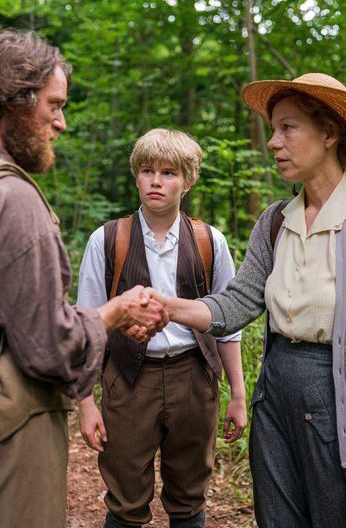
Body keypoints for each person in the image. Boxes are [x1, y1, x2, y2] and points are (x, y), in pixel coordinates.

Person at [0, 30, 167, 527]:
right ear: (12, 99)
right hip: (10, 435)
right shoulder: (8, 196)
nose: (61, 122)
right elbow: (50, 347)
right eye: (53, 105)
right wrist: (116, 311)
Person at [145, 73, 346, 527]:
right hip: (274, 396)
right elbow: (235, 304)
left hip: (338, 399)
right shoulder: (275, 221)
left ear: (329, 133)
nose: (273, 143)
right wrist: (165, 307)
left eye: (288, 128)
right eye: (273, 129)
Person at [76, 128, 247, 528]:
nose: (156, 181)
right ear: (136, 176)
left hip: (193, 377)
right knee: (125, 498)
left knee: (189, 496)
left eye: (169, 172)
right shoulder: (107, 240)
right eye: (147, 171)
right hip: (128, 379)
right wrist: (86, 403)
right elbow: (87, 327)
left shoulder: (209, 240)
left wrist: (238, 394)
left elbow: (227, 323)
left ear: (188, 181)